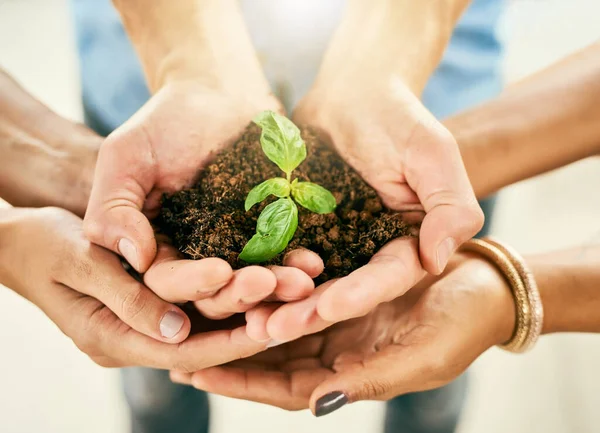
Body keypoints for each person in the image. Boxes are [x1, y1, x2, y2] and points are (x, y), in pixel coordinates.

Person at [71, 0, 504, 431]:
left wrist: (380, 66)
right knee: (157, 371)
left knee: (429, 359)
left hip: (428, 111)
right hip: (148, 86)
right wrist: (196, 69)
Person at [171, 41, 600, 417]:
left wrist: (505, 291)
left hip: (449, 89)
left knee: (430, 385)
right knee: (167, 360)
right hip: (156, 105)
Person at [0, 67, 319, 375]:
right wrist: (8, 240)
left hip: (298, 83)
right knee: (149, 368)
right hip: (120, 81)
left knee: (154, 330)